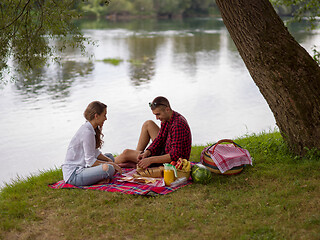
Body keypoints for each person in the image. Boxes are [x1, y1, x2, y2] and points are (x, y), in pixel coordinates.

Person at [115, 96, 192, 169]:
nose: (157, 118)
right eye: (155, 115)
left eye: (158, 114)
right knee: (148, 124)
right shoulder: (167, 118)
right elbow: (159, 139)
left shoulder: (178, 125)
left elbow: (175, 156)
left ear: (167, 109)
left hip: (172, 164)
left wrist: (150, 160)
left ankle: (107, 163)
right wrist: (148, 152)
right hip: (165, 150)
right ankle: (137, 159)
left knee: (126, 153)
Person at [62, 101, 122, 186]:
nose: (106, 118)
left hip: (83, 167)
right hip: (74, 175)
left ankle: (99, 178)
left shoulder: (90, 128)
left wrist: (108, 161)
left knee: (110, 157)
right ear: (96, 116)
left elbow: (95, 152)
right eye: (104, 115)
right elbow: (90, 161)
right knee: (109, 168)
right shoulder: (87, 132)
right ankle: (98, 179)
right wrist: (109, 164)